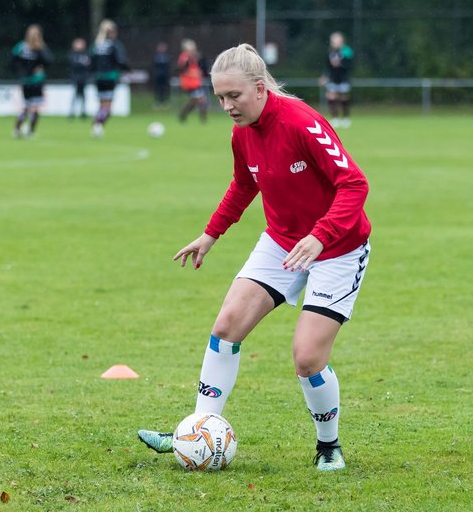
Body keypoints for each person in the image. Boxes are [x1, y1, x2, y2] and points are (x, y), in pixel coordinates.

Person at [137, 44, 371, 472]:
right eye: (220, 97)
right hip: (282, 242)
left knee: (307, 358)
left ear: (260, 89)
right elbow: (244, 185)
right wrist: (210, 235)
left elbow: (354, 185)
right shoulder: (241, 131)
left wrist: (320, 237)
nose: (226, 106)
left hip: (338, 248)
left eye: (234, 97)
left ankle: (328, 447)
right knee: (226, 326)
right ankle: (198, 429)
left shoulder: (304, 124)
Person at [12, 24, 54, 138]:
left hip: (25, 81)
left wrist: (21, 70)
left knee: (26, 107)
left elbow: (12, 59)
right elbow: (50, 60)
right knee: (35, 107)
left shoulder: (20, 46)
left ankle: (17, 129)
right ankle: (30, 131)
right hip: (36, 80)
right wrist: (39, 66)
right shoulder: (39, 47)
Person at [88, 19, 128, 137]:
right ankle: (97, 125)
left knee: (101, 105)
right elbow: (121, 61)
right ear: (112, 32)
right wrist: (127, 69)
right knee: (107, 108)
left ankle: (97, 125)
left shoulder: (96, 45)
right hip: (110, 77)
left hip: (98, 78)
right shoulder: (114, 45)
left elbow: (90, 61)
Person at [320, 31, 354, 128]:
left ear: (341, 40)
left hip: (343, 78)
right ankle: (335, 118)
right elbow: (327, 66)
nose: (335, 41)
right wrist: (324, 76)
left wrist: (341, 64)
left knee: (344, 97)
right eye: (333, 39)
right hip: (333, 78)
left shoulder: (347, 51)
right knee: (331, 96)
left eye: (337, 39)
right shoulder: (330, 52)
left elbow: (350, 65)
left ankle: (346, 118)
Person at [177, 38, 207, 124]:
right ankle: (203, 120)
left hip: (195, 83)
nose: (194, 49)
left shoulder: (192, 57)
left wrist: (198, 72)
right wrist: (194, 73)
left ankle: (182, 116)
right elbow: (182, 70)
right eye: (192, 48)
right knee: (201, 100)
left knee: (193, 102)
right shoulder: (184, 57)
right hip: (189, 83)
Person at [67, 37, 90, 119]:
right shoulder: (72, 53)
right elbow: (74, 64)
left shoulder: (86, 53)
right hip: (75, 77)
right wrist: (82, 63)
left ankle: (83, 111)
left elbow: (89, 64)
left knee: (83, 95)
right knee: (74, 95)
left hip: (84, 77)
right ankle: (71, 112)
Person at [151, 41, 171, 109]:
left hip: (165, 76)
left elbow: (168, 66)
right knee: (158, 89)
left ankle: (164, 102)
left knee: (164, 89)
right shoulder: (156, 56)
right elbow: (154, 66)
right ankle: (157, 102)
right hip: (158, 76)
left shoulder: (167, 56)